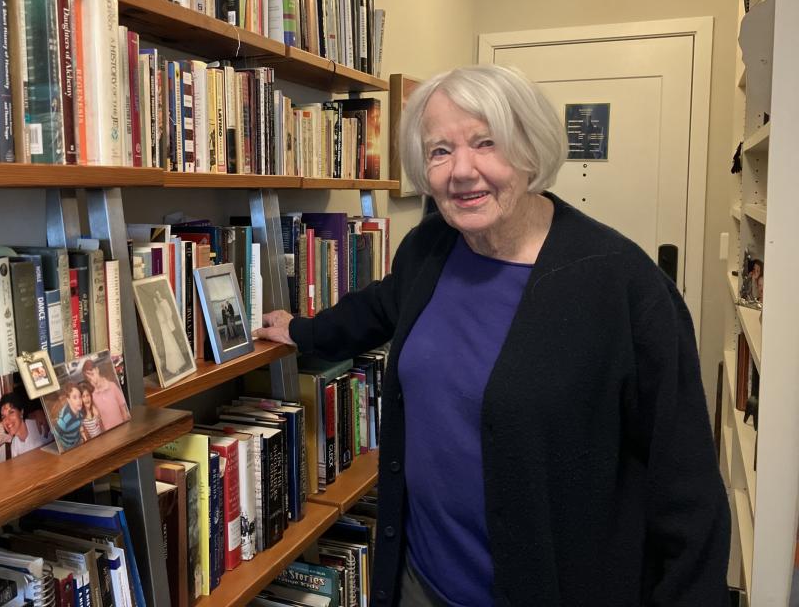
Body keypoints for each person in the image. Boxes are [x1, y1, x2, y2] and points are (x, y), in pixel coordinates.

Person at [255, 65, 730, 606]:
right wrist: (303, 330)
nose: (462, 171)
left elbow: (685, 489)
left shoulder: (622, 284)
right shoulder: (430, 246)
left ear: (530, 150)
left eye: (488, 143)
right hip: (421, 581)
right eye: (440, 151)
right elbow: (382, 306)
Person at [0, 392, 51, 460]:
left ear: (21, 412)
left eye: (11, 412)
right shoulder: (14, 444)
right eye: (3, 417)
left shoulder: (40, 427)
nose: (7, 420)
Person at [81, 358, 130, 431]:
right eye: (89, 379)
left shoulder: (112, 386)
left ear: (97, 369)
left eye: (92, 374)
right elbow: (98, 421)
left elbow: (124, 411)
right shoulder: (92, 396)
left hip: (123, 429)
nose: (93, 380)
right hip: (108, 435)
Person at [54, 383, 85, 449]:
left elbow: (80, 423)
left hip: (78, 441)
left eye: (80, 396)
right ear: (68, 400)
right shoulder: (64, 420)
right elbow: (55, 437)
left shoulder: (81, 410)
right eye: (74, 397)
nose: (79, 400)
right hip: (69, 447)